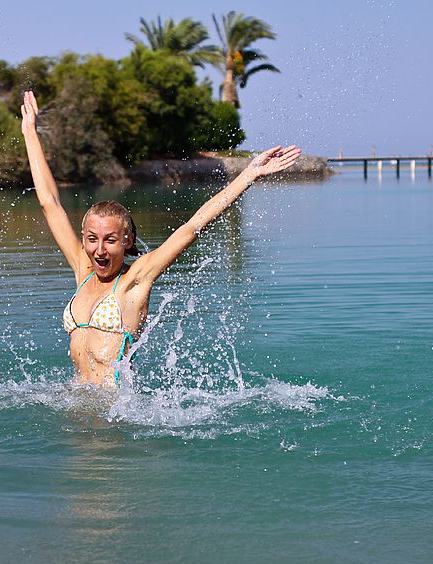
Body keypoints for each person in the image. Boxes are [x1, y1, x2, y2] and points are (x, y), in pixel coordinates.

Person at [20, 90, 301, 387]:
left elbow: (192, 227)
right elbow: (50, 202)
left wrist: (248, 175)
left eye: (110, 240)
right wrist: (30, 132)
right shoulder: (83, 270)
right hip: (75, 402)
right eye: (92, 239)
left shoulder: (137, 278)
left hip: (114, 413)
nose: (99, 250)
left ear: (127, 241)